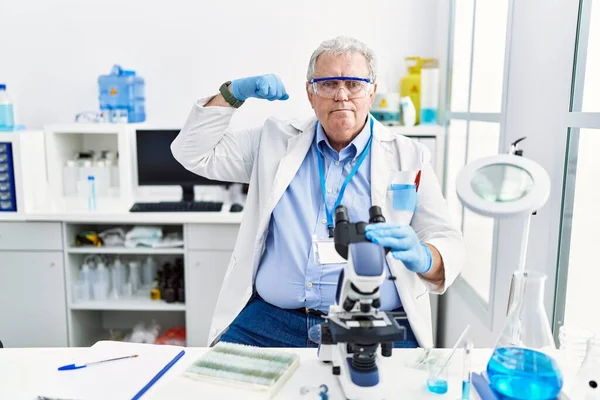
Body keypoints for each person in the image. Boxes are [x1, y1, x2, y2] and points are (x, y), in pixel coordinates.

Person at [171, 36, 465, 349]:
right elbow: (192, 152)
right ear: (311, 93)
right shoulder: (272, 142)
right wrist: (233, 93)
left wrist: (424, 257)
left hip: (372, 323)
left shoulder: (410, 156)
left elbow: (447, 239)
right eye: (328, 84)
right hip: (272, 321)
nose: (341, 95)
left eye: (354, 84)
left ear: (372, 92)